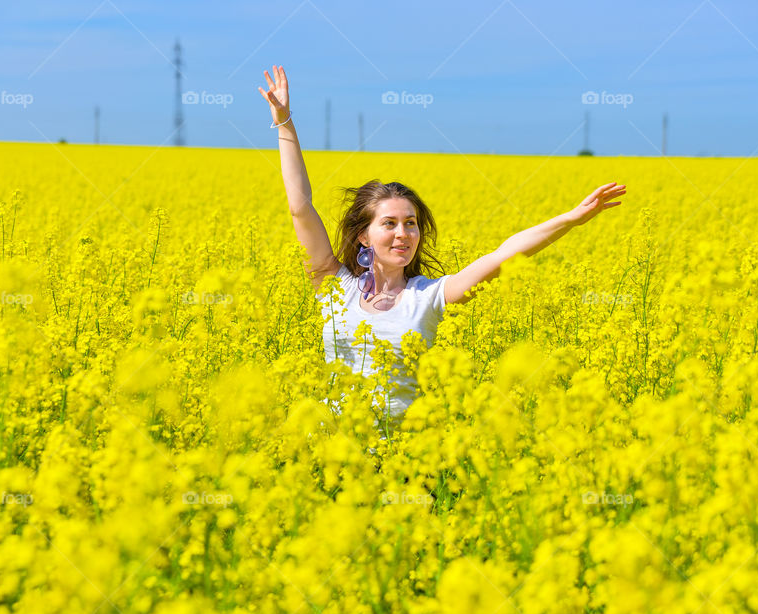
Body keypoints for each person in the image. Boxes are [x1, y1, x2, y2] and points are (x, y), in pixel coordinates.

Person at [258, 64, 626, 427]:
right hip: (332, 456)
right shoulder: (335, 287)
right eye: (389, 224)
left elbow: (503, 254)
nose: (404, 233)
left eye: (411, 224)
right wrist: (285, 123)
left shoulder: (430, 296)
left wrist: (570, 219)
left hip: (406, 464)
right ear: (363, 236)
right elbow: (300, 208)